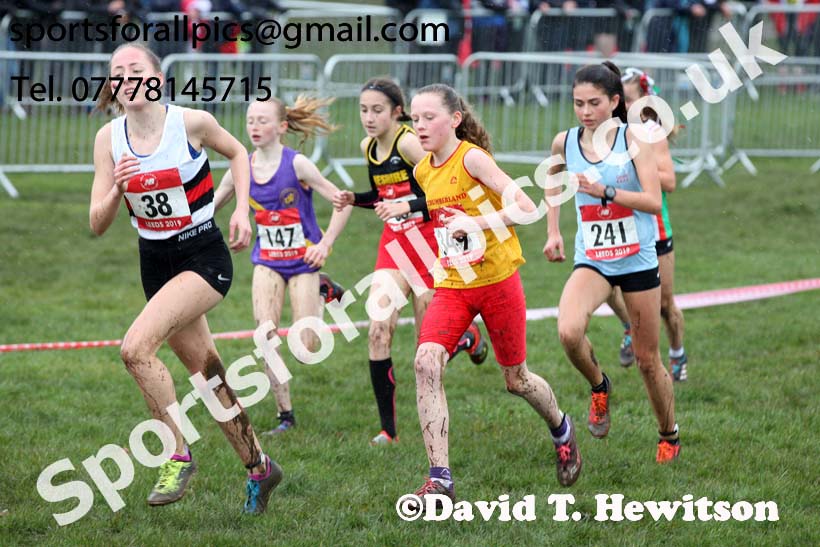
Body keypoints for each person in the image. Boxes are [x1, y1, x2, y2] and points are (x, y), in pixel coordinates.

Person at [89, 43, 281, 514]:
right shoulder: (108, 139)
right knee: (208, 375)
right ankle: (260, 467)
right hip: (154, 264)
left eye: (137, 69)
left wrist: (241, 211)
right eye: (118, 72)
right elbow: (96, 222)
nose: (127, 77)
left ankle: (177, 453)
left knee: (135, 350)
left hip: (202, 256)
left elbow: (238, 152)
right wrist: (116, 186)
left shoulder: (189, 122)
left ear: (157, 77)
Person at [406, 83, 581, 503]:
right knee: (426, 363)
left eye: (429, 117)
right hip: (454, 285)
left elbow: (525, 207)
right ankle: (440, 479)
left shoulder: (473, 159)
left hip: (498, 282)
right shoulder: (422, 170)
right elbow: (444, 222)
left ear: (454, 120)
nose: (420, 126)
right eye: (414, 119)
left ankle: (561, 427)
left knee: (516, 380)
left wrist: (477, 224)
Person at [333, 78, 489, 447]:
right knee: (377, 330)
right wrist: (354, 198)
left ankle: (467, 338)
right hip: (394, 247)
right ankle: (389, 430)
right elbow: (384, 194)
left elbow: (439, 190)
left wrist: (406, 206)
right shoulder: (368, 147)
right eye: (363, 110)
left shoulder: (408, 143)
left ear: (396, 112)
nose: (368, 118)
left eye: (377, 110)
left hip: (429, 246)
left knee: (428, 346)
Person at [543, 61, 680, 463]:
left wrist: (605, 191)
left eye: (594, 103)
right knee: (569, 332)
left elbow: (654, 201)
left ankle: (668, 433)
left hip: (637, 259)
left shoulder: (634, 140)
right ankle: (599, 386)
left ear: (615, 102)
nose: (585, 112)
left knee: (647, 360)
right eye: (578, 103)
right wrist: (554, 230)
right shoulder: (564, 143)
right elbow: (552, 181)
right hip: (594, 259)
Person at [214, 95, 352, 434]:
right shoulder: (241, 167)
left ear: (282, 127)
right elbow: (211, 206)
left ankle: (323, 288)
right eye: (250, 121)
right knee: (265, 337)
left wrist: (325, 244)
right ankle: (285, 415)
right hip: (267, 262)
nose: (255, 127)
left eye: (263, 121)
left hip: (304, 261)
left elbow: (342, 203)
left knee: (308, 348)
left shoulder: (298, 165)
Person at [608, 67, 687, 381]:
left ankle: (677, 352)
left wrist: (638, 168)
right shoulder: (610, 133)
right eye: (620, 100)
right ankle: (631, 325)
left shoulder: (652, 134)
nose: (623, 107)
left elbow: (669, 181)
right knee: (606, 287)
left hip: (655, 229)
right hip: (622, 227)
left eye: (628, 100)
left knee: (665, 305)